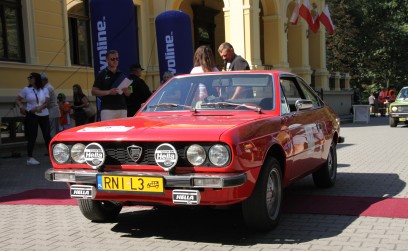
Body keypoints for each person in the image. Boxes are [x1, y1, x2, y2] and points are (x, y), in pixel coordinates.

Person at [16, 72, 51, 165]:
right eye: (29, 78)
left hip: (44, 114)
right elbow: (18, 99)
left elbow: (47, 102)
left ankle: (52, 156)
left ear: (36, 79)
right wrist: (21, 107)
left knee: (47, 135)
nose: (29, 79)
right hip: (31, 114)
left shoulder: (44, 90)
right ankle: (30, 158)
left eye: (31, 77)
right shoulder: (26, 89)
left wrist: (40, 107)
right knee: (32, 135)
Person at [91, 49, 130, 121]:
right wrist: (109, 92)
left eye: (117, 59)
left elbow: (129, 93)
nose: (115, 61)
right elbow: (93, 91)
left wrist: (127, 91)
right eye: (112, 59)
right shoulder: (102, 74)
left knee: (122, 132)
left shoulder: (122, 74)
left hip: (122, 108)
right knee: (108, 131)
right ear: (107, 60)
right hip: (107, 109)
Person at [41, 72, 61, 138]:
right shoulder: (47, 87)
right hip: (51, 112)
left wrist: (39, 108)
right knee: (52, 131)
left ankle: (53, 146)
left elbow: (47, 103)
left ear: (44, 80)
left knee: (53, 132)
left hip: (53, 112)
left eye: (40, 81)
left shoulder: (48, 88)